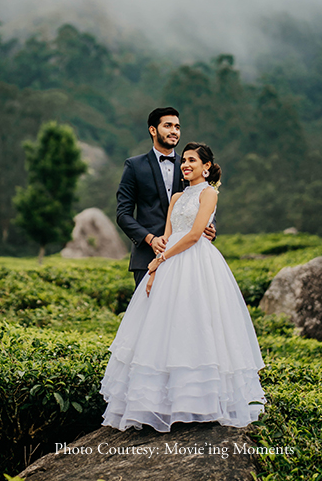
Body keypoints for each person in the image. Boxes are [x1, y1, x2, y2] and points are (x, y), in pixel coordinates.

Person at [101, 142, 266, 432]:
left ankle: (202, 402)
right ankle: (163, 402)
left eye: (192, 160)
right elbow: (168, 234)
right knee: (164, 331)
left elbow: (193, 235)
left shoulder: (209, 193)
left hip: (197, 262)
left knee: (197, 325)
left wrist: (161, 258)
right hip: (168, 264)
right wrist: (155, 268)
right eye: (184, 160)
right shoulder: (176, 197)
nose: (185, 165)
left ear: (206, 166)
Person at [116, 107, 215, 288]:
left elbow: (200, 198)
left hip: (187, 256)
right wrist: (150, 239)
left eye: (177, 127)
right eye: (168, 126)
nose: (174, 131)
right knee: (148, 313)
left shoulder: (189, 165)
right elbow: (123, 214)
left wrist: (209, 226)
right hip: (146, 256)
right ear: (153, 130)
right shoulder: (134, 166)